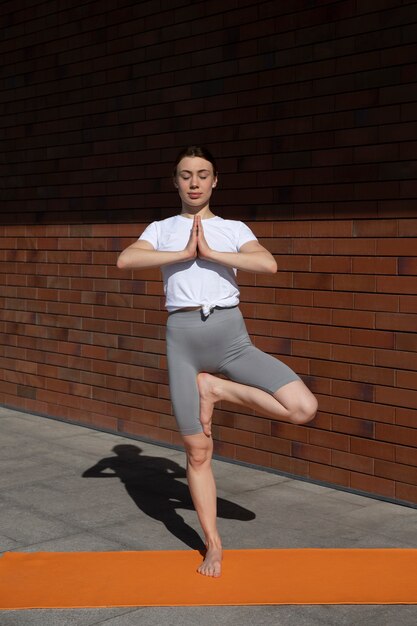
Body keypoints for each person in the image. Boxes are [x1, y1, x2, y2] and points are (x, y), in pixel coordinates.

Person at [117, 145, 318, 578]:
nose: (194, 182)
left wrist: (211, 254)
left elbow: (268, 263)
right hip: (184, 340)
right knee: (197, 449)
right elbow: (126, 259)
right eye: (186, 175)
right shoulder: (162, 228)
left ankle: (218, 389)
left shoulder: (232, 228)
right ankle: (213, 545)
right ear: (176, 181)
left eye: (202, 174)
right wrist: (182, 254)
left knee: (303, 408)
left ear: (214, 181)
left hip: (232, 339)